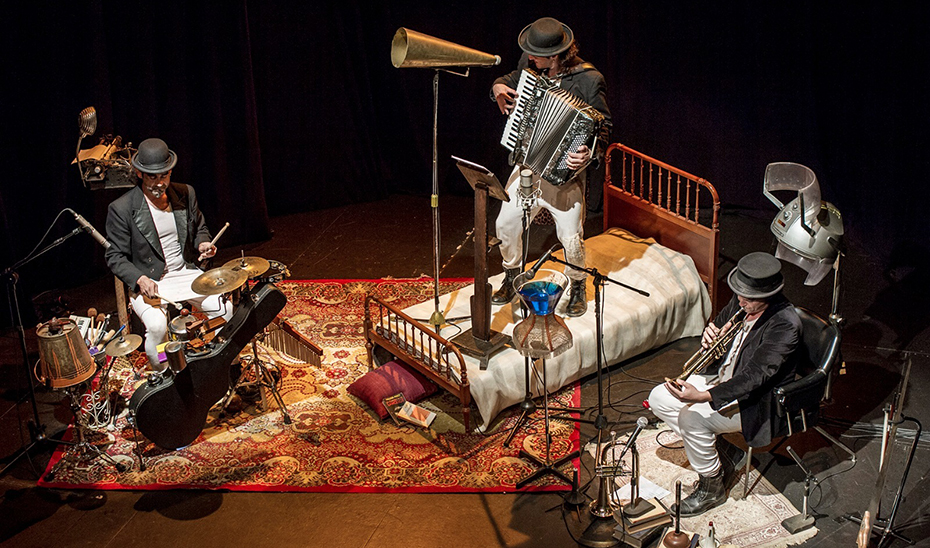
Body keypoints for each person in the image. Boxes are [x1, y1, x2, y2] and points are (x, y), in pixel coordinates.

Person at [647, 252, 803, 516]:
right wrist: (710, 335)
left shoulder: (784, 325)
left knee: (692, 418)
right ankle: (728, 454)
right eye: (739, 294)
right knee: (659, 398)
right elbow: (719, 329)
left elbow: (753, 377)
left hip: (753, 401)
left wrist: (704, 397)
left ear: (768, 295)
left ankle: (712, 487)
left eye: (748, 298)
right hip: (721, 377)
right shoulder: (743, 300)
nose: (740, 301)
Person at [490, 17, 612, 317]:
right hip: (528, 166)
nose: (529, 57)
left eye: (535, 54)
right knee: (505, 224)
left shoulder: (589, 79)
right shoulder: (530, 66)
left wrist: (588, 154)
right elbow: (506, 80)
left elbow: (604, 127)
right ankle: (512, 274)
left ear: (554, 56)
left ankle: (578, 284)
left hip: (563, 175)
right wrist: (498, 88)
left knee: (571, 237)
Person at [105, 138, 233, 369]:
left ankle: (216, 365)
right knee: (156, 327)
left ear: (170, 171)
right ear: (139, 173)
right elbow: (115, 257)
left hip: (186, 272)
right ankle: (164, 371)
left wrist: (203, 244)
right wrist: (139, 279)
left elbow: (200, 228)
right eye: (152, 177)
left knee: (225, 309)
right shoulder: (122, 208)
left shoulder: (185, 193)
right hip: (151, 280)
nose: (159, 183)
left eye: (164, 175)